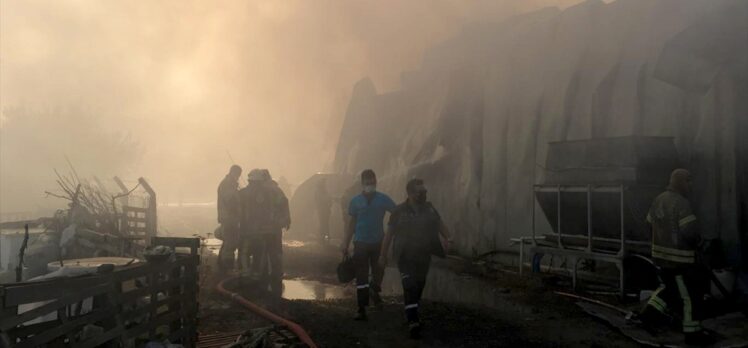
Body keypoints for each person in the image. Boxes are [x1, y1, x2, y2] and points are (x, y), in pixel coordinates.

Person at [639, 169, 713, 345]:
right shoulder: (682, 203)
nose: (691, 185)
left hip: (661, 258)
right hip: (680, 261)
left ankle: (648, 315)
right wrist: (701, 243)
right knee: (690, 296)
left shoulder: (658, 200)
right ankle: (693, 333)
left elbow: (649, 224)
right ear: (681, 182)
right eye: (689, 181)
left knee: (669, 289)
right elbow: (689, 232)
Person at [379, 178, 453, 339]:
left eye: (425, 192)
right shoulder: (398, 211)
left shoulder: (429, 209)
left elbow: (440, 224)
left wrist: (448, 238)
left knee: (419, 285)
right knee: (410, 285)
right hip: (404, 255)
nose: (424, 194)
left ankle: (412, 309)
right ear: (411, 193)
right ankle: (413, 321)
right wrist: (383, 255)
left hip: (423, 254)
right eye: (421, 192)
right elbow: (389, 234)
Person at [340, 169, 396, 320]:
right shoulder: (355, 201)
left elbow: (396, 212)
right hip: (360, 243)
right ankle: (361, 308)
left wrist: (394, 226)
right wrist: (345, 242)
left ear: (376, 182)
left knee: (379, 271)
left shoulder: (383, 199)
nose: (370, 185)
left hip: (378, 242)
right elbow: (351, 224)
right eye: (367, 183)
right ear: (362, 184)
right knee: (361, 276)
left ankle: (374, 288)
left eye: (372, 182)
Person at [239, 169, 290, 295]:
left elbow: (277, 206)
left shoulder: (269, 191)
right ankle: (271, 277)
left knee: (267, 252)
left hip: (268, 229)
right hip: (269, 229)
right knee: (267, 253)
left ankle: (270, 277)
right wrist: (286, 220)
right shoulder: (272, 190)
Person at [217, 165, 242, 273]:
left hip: (229, 217)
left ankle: (221, 264)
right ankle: (227, 268)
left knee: (228, 241)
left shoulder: (230, 184)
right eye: (238, 175)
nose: (238, 177)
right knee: (230, 243)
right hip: (229, 218)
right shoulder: (228, 184)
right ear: (234, 173)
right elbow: (231, 201)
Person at [314, 178, 332, 242]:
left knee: (324, 223)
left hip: (324, 210)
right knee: (323, 223)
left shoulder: (323, 191)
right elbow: (323, 200)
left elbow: (328, 200)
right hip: (322, 210)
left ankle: (324, 236)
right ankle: (323, 236)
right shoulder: (320, 191)